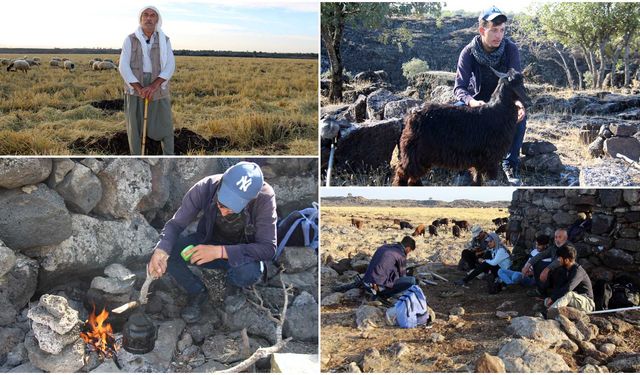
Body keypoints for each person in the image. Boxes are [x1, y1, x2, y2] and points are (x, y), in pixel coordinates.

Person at [147, 162, 277, 323]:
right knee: (171, 251)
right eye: (221, 203)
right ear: (222, 183)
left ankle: (230, 288)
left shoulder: (264, 197)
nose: (223, 211)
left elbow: (268, 249)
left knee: (248, 273)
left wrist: (219, 252)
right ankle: (197, 291)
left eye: (231, 209)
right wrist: (161, 250)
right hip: (207, 243)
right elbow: (176, 224)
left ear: (250, 200)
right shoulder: (206, 187)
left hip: (240, 255)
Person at [453, 5, 526, 185]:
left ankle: (510, 163)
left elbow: (515, 82)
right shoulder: (468, 52)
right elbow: (459, 88)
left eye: (502, 30)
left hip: (502, 102)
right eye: (494, 30)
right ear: (482, 30)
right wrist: (471, 101)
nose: (498, 35)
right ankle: (464, 166)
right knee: (458, 112)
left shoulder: (510, 49)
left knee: (520, 117)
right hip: (477, 101)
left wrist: (518, 103)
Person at [119, 6, 176, 155]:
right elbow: (123, 66)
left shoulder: (165, 40)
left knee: (166, 125)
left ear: (157, 19)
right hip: (134, 86)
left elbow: (170, 65)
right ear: (141, 19)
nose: (149, 18)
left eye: (152, 15)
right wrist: (139, 88)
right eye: (146, 15)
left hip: (158, 85)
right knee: (135, 127)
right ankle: (136, 158)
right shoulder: (130, 39)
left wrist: (154, 85)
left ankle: (169, 156)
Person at [545, 244, 594, 314]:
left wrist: (553, 298)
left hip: (587, 303)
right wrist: (552, 298)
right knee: (547, 301)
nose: (558, 260)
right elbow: (560, 287)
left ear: (567, 260)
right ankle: (554, 309)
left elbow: (568, 288)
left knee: (568, 294)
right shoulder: (565, 269)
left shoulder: (578, 271)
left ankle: (549, 314)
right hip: (573, 299)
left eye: (559, 258)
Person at [521, 229, 569, 297]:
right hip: (553, 270)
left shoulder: (569, 248)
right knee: (537, 263)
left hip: (564, 272)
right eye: (555, 237)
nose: (557, 239)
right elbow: (541, 255)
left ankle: (556, 294)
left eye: (560, 237)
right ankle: (541, 291)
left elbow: (559, 261)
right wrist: (528, 265)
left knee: (559, 270)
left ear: (565, 238)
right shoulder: (554, 247)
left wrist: (546, 269)